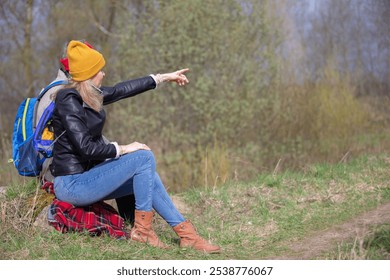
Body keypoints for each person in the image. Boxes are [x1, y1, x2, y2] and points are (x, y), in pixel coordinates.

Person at [50, 40, 220, 253]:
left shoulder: (89, 94)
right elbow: (86, 148)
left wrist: (163, 78)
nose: (103, 74)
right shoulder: (68, 99)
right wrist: (123, 148)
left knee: (148, 175)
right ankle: (143, 231)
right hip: (72, 184)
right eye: (99, 70)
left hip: (88, 178)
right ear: (89, 73)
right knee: (143, 157)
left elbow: (123, 89)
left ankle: (187, 235)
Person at [38, 41, 136, 224]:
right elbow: (78, 143)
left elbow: (118, 90)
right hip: (62, 173)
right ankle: (134, 225)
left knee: (122, 162)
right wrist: (118, 149)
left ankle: (134, 224)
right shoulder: (62, 94)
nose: (102, 73)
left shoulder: (72, 89)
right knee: (124, 164)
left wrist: (159, 78)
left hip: (73, 164)